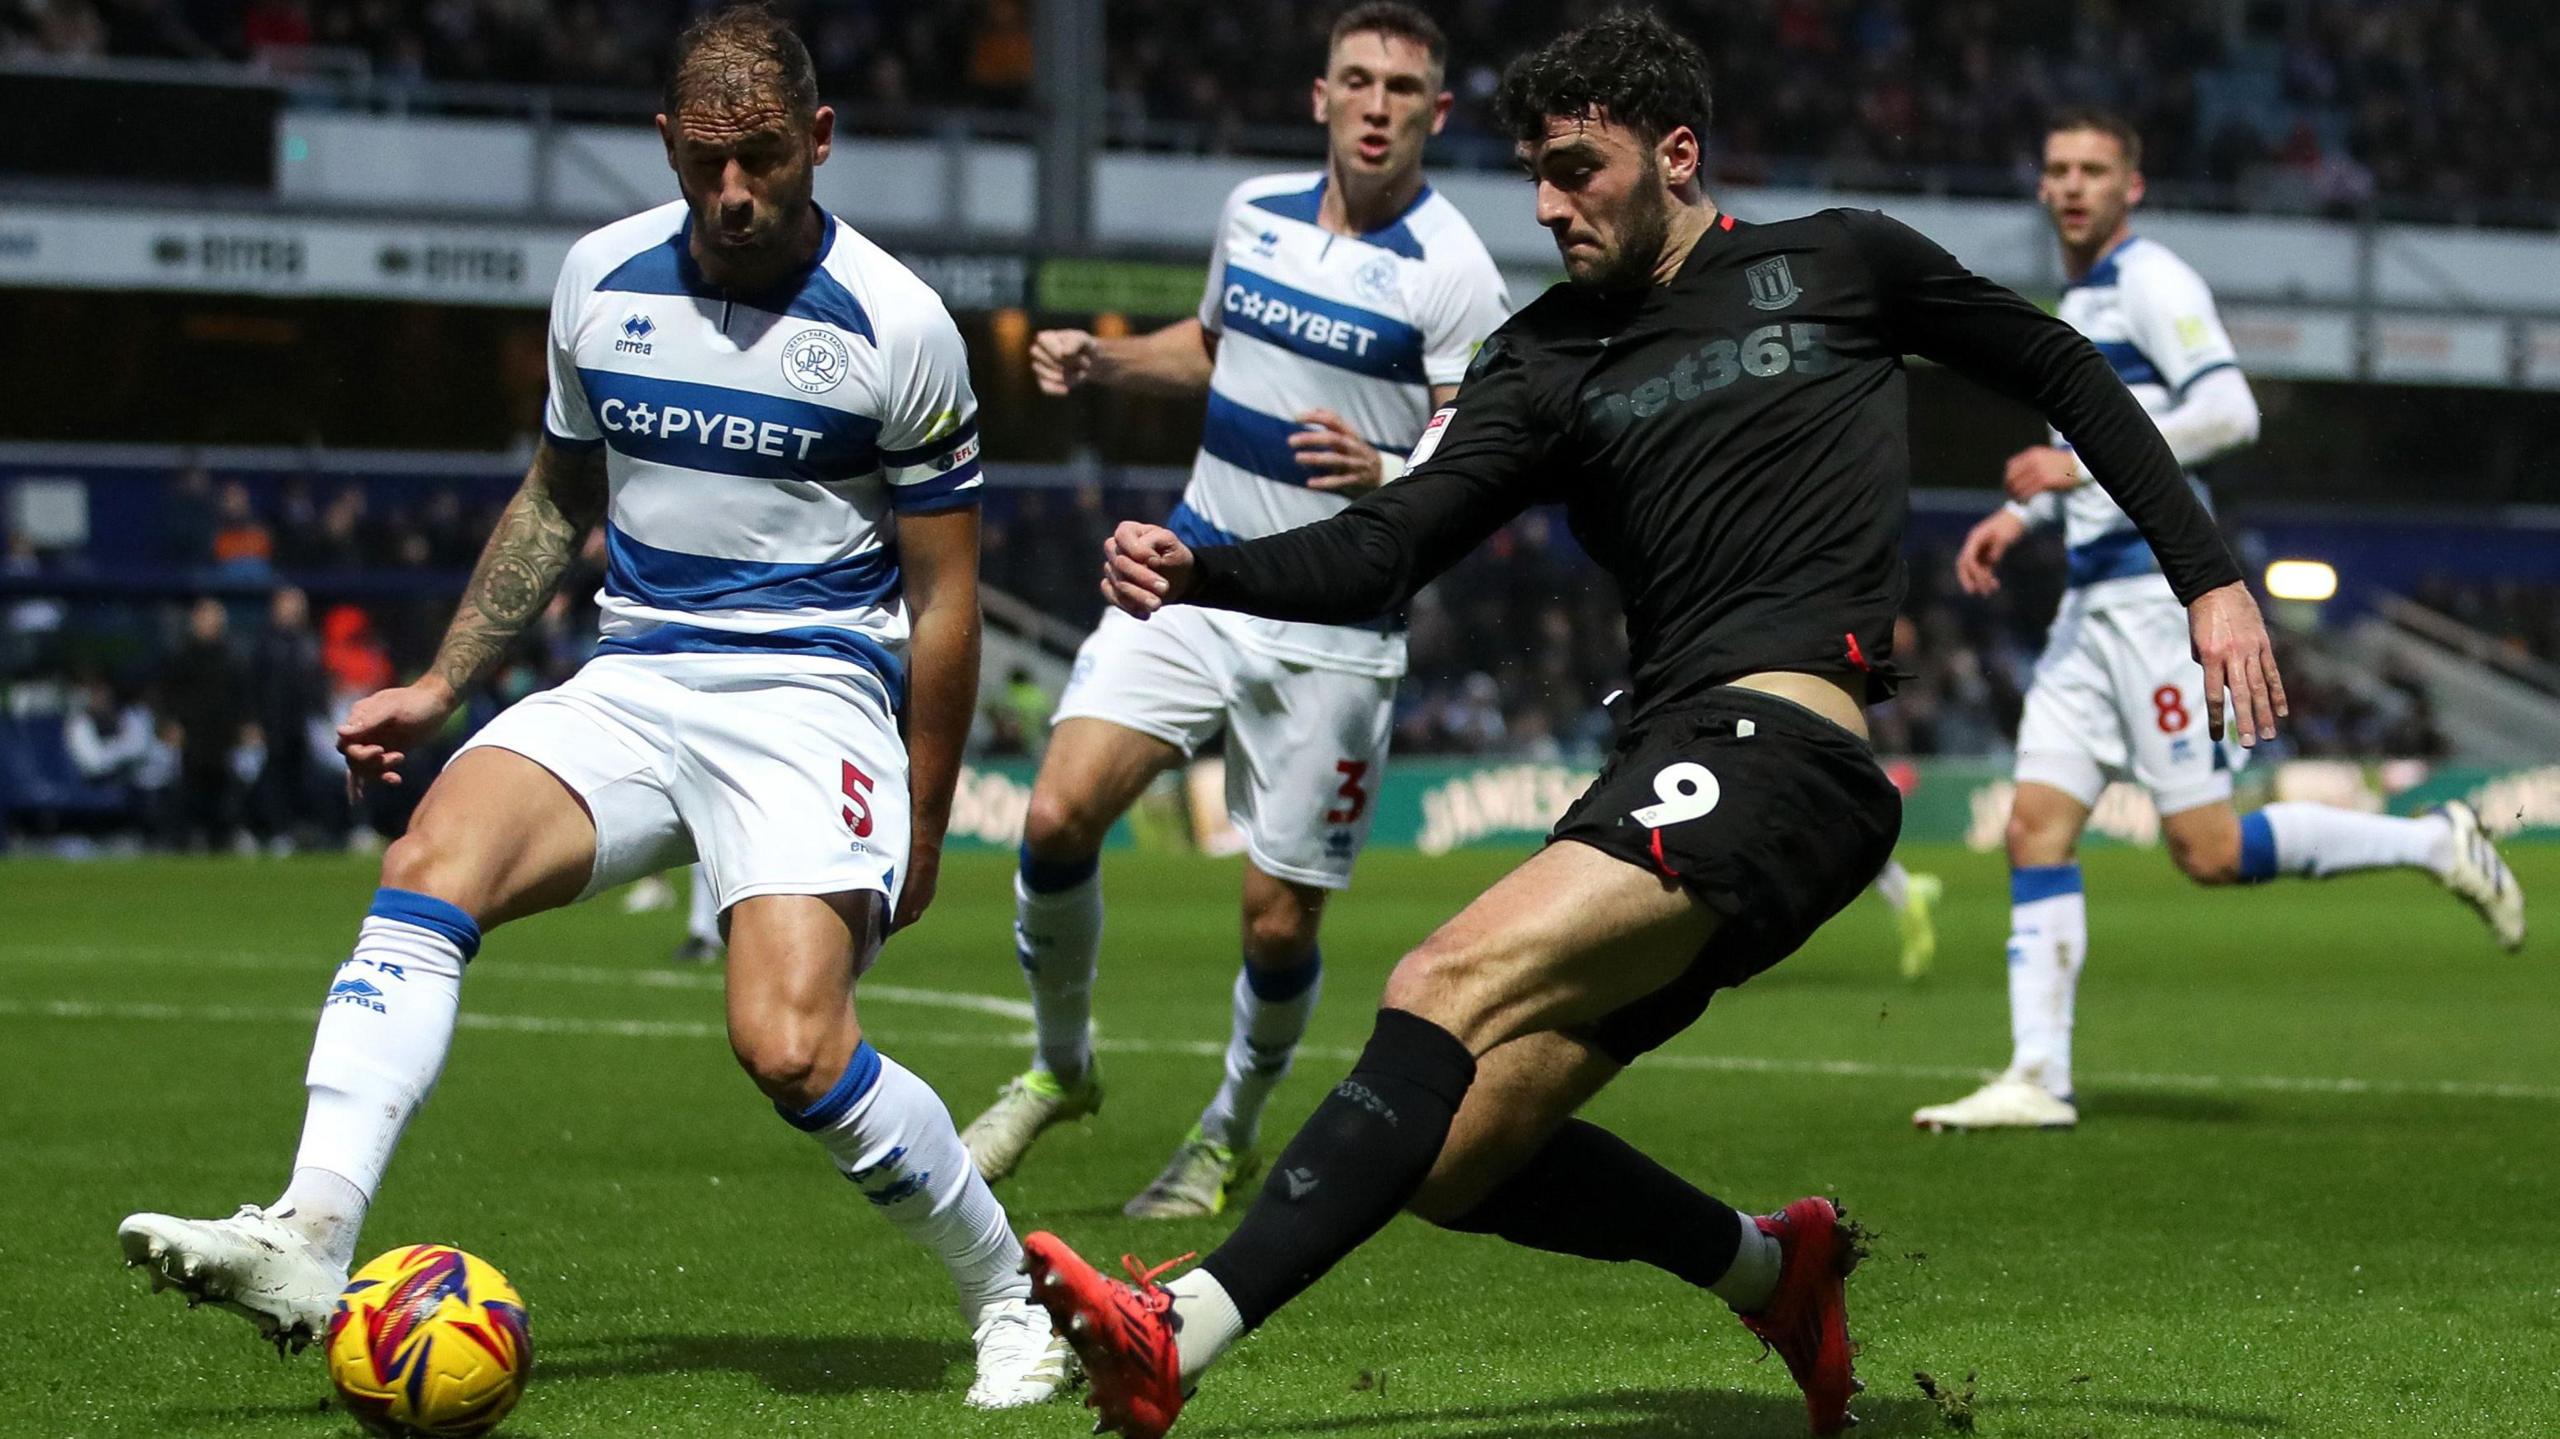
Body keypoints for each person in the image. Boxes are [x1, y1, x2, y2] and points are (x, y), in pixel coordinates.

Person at [1013, 15, 2290, 1438]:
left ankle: (1175, 1329)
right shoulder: (1542, 357)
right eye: (1537, 176)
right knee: (1459, 1154)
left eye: (1579, 169)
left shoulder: (1839, 261)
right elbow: (1390, 542)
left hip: (1787, 746)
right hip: (1677, 760)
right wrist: (1212, 567)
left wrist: (2212, 581)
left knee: (1441, 979)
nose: (1550, 205)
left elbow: (2058, 364)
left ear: (1675, 154)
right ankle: (1772, 1262)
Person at [115, 5, 1070, 1409]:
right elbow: (562, 491)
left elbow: (944, 601)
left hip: (811, 697)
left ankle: (1014, 1296)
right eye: (704, 162)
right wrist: (446, 681)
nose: (732, 193)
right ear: (666, 143)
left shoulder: (902, 327)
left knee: (791, 1044)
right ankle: (311, 1232)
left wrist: (924, 815)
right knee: (429, 866)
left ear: (818, 139)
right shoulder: (599, 278)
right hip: (635, 680)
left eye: (761, 159)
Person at [959, 1, 1511, 1220]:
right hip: (1196, 572)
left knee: (1275, 923)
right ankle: (1060, 1067)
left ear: (1436, 113)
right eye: (1356, 81)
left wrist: (1389, 477)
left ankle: (1227, 1132)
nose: (1376, 106)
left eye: (1402, 90)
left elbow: (1481, 448)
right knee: (1054, 815)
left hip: (1336, 619)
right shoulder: (1251, 214)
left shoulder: (1457, 272)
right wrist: (1108, 360)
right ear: (1320, 95)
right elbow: (1213, 349)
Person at [1910, 110, 2526, 1134]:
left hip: (2154, 599)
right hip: (2086, 604)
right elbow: (2089, 443)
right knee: (2033, 827)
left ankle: (2430, 842)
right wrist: (2021, 512)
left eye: (2092, 170)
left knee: (2207, 849)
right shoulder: (2082, 295)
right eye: (2056, 169)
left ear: (2130, 186)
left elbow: (2229, 411)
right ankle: (2035, 1075)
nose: (2070, 186)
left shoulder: (2154, 280)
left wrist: (2062, 469)